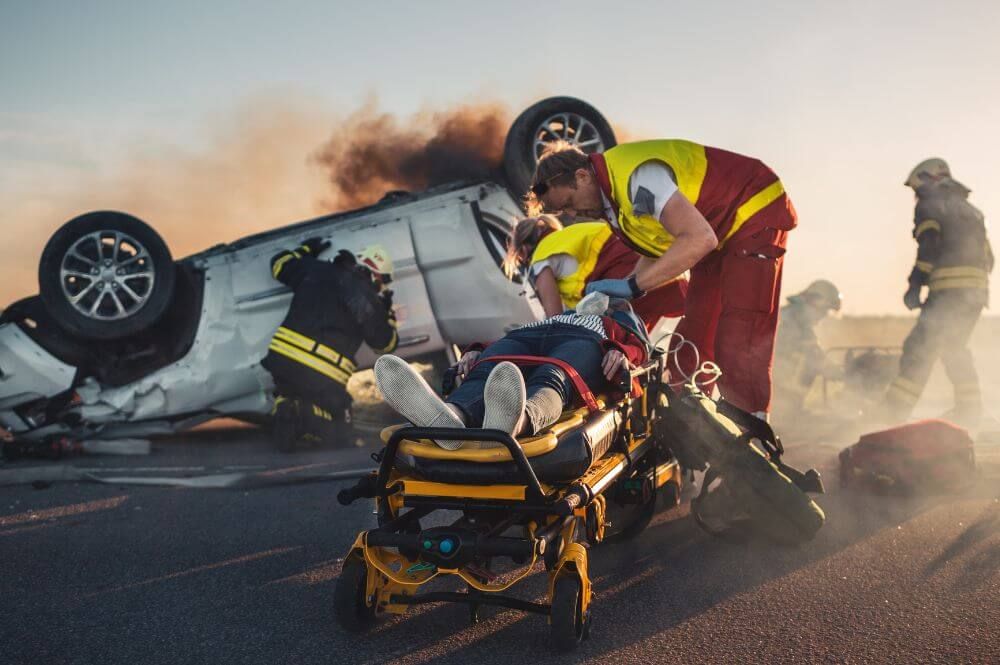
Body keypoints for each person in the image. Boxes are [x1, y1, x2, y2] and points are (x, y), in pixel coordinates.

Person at [529, 140, 798, 420]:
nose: (572, 215)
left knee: (740, 330)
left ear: (582, 176)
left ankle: (751, 430)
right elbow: (656, 247)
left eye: (569, 204)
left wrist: (633, 285)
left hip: (752, 208)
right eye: (564, 213)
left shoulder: (637, 177)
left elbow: (699, 238)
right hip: (716, 232)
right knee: (696, 329)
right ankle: (689, 419)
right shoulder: (612, 205)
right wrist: (631, 283)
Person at [373, 295, 649, 449]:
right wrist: (477, 350)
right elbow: (500, 344)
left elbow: (640, 351)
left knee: (554, 376)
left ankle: (516, 421)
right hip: (529, 335)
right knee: (488, 369)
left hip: (584, 340)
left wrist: (622, 351)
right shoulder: (560, 314)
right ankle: (450, 419)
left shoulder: (619, 323)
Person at [261, 238, 399, 451]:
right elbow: (386, 346)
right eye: (384, 281)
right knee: (341, 435)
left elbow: (278, 264)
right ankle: (302, 412)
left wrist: (306, 250)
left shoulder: (317, 269)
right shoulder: (368, 302)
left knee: (291, 388)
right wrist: (388, 316)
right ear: (377, 274)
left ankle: (286, 404)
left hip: (282, 362)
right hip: (322, 376)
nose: (381, 287)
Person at [885, 159, 993, 427]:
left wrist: (915, 283)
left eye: (916, 189)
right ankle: (971, 412)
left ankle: (891, 415)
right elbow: (989, 258)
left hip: (948, 294)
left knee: (919, 349)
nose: (915, 195)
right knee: (954, 348)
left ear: (927, 179)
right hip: (976, 295)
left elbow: (929, 245)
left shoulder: (930, 204)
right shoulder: (972, 211)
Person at [505, 215, 688, 330]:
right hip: (664, 271)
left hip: (630, 288)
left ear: (522, 252)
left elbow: (555, 318)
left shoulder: (541, 257)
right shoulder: (572, 233)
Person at [772, 280, 842, 414]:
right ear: (815, 303)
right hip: (779, 400)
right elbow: (816, 357)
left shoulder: (790, 315)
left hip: (778, 396)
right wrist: (844, 374)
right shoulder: (795, 322)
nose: (824, 316)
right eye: (825, 310)